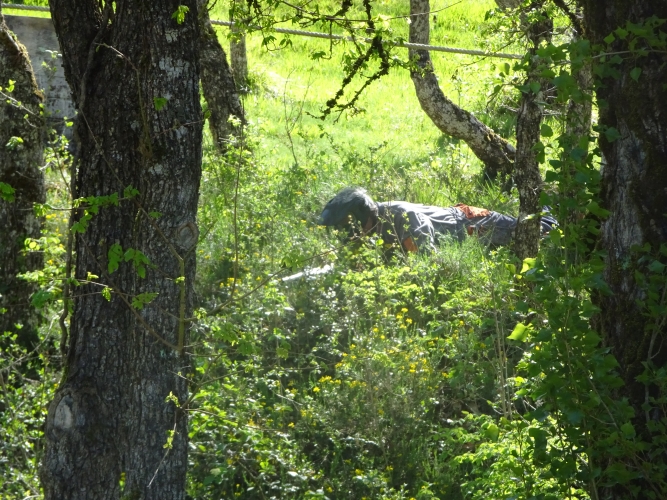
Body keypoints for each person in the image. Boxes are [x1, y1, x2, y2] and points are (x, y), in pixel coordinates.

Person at [318, 187, 556, 253]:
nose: (345, 233)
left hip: (471, 223)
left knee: (541, 236)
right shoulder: (373, 227)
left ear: (361, 216)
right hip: (462, 232)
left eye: (346, 225)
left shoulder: (402, 217)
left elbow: (426, 258)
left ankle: (551, 201)